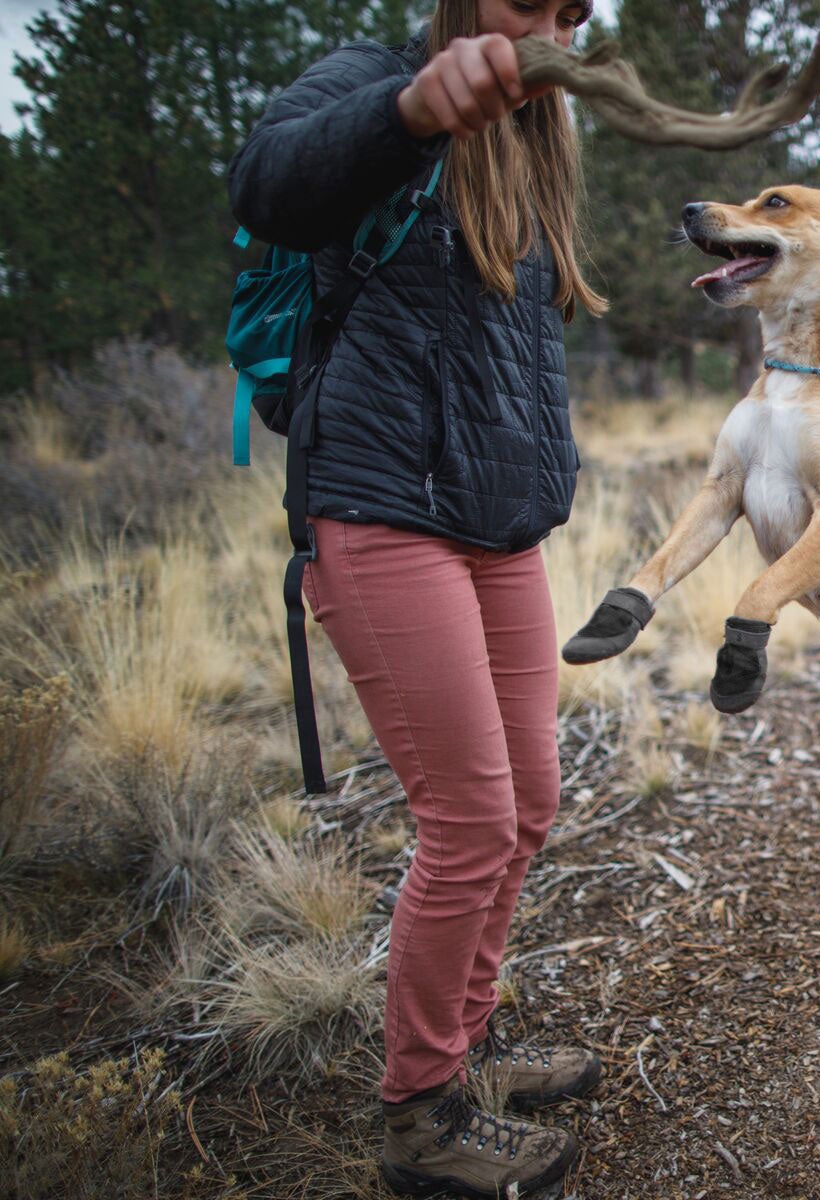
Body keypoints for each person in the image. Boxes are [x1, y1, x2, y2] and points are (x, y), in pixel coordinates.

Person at [228, 2, 607, 1193]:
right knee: (472, 819)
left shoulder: (538, 143)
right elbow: (269, 187)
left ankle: (470, 1033)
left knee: (531, 797)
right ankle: (422, 1114)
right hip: (382, 506)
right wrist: (408, 113)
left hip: (495, 523)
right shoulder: (375, 80)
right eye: (527, 2)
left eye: (569, 11)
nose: (545, 25)